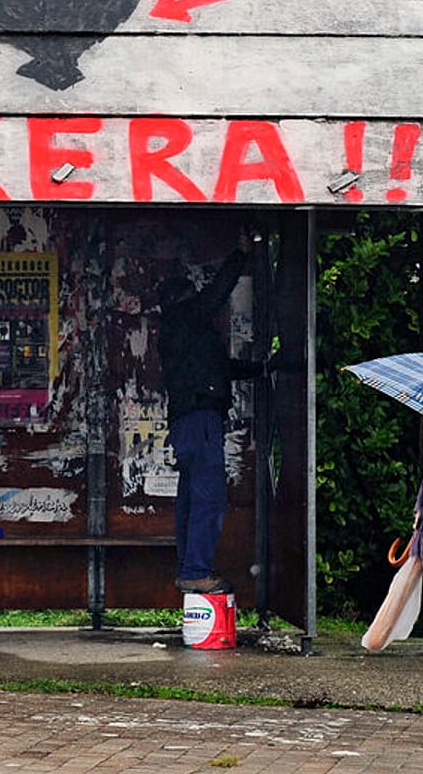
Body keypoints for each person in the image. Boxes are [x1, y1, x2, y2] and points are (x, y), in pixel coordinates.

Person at [156, 246, 264, 595]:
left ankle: (190, 568)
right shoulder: (187, 318)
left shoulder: (179, 335)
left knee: (190, 500)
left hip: (187, 423)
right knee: (209, 499)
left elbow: (217, 367)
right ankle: (196, 570)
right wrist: (241, 255)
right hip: (201, 420)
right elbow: (216, 293)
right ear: (184, 300)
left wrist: (260, 369)